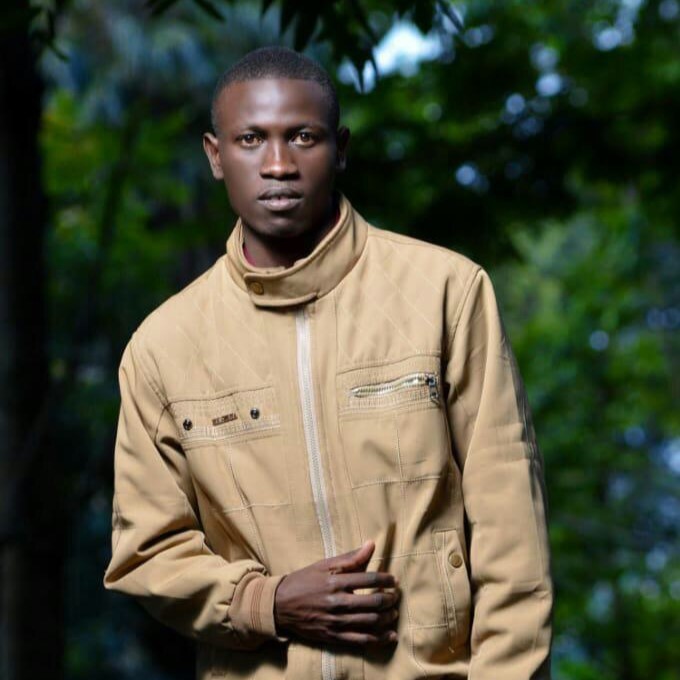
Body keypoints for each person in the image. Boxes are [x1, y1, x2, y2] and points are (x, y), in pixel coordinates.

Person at [103, 46, 553, 679]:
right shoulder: (163, 347)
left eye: (303, 137)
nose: (278, 164)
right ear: (215, 155)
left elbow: (512, 532)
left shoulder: (445, 292)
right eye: (252, 139)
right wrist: (268, 603)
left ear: (339, 149)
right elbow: (146, 553)